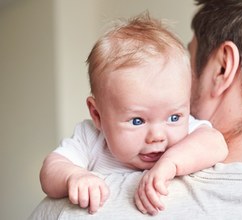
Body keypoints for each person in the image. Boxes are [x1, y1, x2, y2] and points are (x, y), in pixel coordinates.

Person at [30, 0, 242, 219]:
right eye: (138, 118)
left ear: (222, 69)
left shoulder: (80, 210)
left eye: (190, 56)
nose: (157, 133)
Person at [38, 14, 228, 216]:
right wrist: (73, 176)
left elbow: (216, 143)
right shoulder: (90, 138)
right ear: (97, 115)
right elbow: (50, 170)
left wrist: (171, 163)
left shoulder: (186, 134)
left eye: (174, 117)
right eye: (137, 121)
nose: (157, 136)